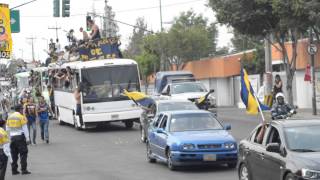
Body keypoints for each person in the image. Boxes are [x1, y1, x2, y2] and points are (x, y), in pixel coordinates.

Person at [6, 104, 31, 175]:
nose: (23, 110)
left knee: (14, 154)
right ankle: (24, 170)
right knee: (23, 153)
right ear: (20, 109)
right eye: (22, 109)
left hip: (12, 138)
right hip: (20, 137)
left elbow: (7, 128)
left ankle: (14, 170)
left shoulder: (10, 117)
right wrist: (28, 138)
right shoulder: (21, 117)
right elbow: (25, 129)